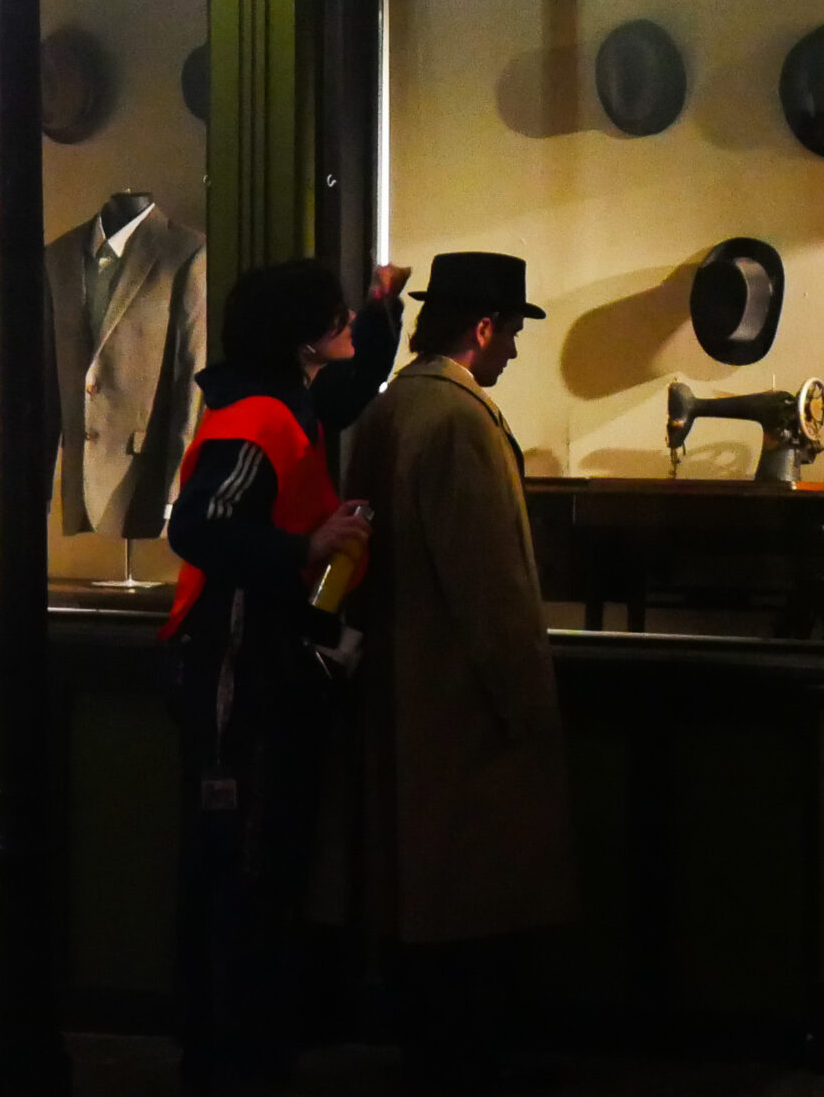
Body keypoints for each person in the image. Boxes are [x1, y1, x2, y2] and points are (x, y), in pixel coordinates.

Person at [163, 256, 408, 1097]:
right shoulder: (260, 416)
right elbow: (198, 527)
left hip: (258, 662)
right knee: (245, 865)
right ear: (303, 340)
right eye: (337, 318)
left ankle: (237, 1051)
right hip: (241, 669)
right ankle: (230, 1059)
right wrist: (304, 546)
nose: (345, 328)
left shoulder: (284, 399)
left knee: (254, 864)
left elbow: (347, 389)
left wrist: (381, 315)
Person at [347, 250, 576, 1094]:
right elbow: (493, 587)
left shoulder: (391, 409)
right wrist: (528, 704)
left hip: (403, 700)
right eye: (511, 333)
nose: (512, 350)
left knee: (420, 900)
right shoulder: (461, 422)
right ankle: (471, 1061)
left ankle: (435, 1054)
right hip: (463, 707)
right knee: (475, 899)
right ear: (482, 329)